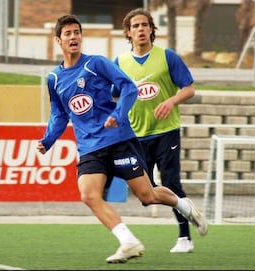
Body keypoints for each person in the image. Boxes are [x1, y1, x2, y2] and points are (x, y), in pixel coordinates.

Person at [37, 14, 207, 264]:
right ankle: (128, 241)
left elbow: (128, 88)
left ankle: (184, 206)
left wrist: (118, 114)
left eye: (77, 32)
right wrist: (48, 139)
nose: (73, 37)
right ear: (58, 41)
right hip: (89, 147)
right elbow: (59, 114)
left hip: (118, 140)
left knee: (147, 196)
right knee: (88, 195)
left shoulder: (96, 64)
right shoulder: (54, 79)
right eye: (68, 34)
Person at [113, 8, 201, 253]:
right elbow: (112, 96)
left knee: (171, 182)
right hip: (135, 136)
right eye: (136, 26)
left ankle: (185, 238)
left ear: (152, 29)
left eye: (145, 25)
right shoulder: (120, 63)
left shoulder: (167, 57)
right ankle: (188, 209)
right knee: (146, 193)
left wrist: (171, 101)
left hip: (166, 131)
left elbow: (189, 88)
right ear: (128, 33)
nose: (141, 29)